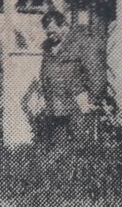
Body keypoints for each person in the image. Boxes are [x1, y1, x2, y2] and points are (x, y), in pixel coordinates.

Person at [36, 9, 98, 147]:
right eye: (47, 32)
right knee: (58, 142)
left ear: (63, 26)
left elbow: (93, 72)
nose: (50, 35)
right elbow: (44, 72)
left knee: (80, 142)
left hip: (76, 99)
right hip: (54, 101)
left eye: (53, 31)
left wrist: (91, 99)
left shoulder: (79, 43)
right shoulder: (47, 47)